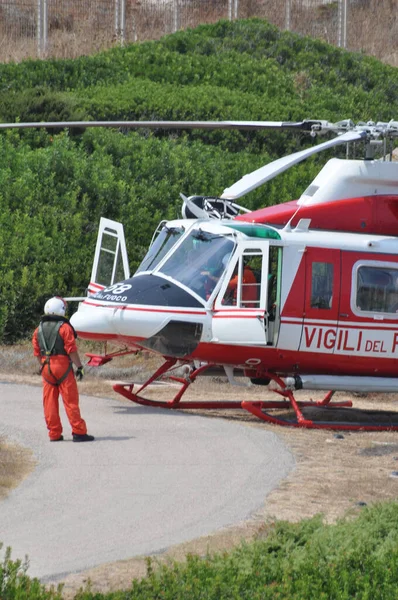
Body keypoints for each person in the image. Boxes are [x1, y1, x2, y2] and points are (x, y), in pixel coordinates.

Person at [32, 296, 94, 442]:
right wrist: (79, 367)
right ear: (61, 310)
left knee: (49, 402)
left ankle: (54, 433)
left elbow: (36, 351)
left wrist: (43, 365)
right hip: (62, 366)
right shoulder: (65, 328)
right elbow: (71, 350)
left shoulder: (38, 329)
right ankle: (78, 432)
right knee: (70, 401)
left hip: (46, 366)